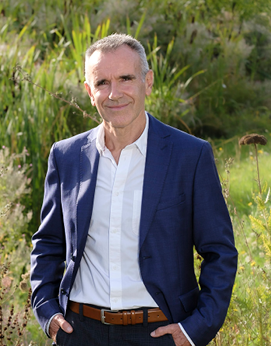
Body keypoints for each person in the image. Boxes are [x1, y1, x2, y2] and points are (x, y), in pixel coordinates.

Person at [30, 33, 237, 346]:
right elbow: (48, 242)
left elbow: (220, 252)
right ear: (89, 91)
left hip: (160, 333)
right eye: (102, 83)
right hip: (80, 332)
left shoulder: (189, 155)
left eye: (126, 78)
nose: (115, 93)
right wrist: (48, 311)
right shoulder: (67, 156)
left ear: (148, 82)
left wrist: (194, 330)